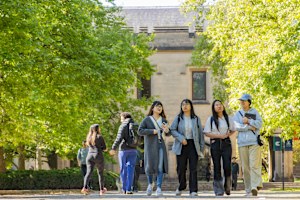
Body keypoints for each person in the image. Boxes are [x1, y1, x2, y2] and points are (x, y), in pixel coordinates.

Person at [170, 99, 205, 196]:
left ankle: (193, 190)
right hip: (181, 144)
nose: (185, 106)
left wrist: (201, 148)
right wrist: (181, 138)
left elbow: (200, 134)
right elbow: (172, 130)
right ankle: (182, 185)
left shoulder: (196, 118)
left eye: (187, 104)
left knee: (193, 168)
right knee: (181, 168)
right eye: (183, 104)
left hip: (193, 145)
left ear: (191, 106)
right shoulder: (178, 118)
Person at [203, 99, 236, 196]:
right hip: (215, 143)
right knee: (217, 166)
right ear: (213, 107)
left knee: (227, 166)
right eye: (216, 105)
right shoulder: (211, 119)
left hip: (226, 143)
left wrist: (227, 135)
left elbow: (233, 130)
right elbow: (206, 133)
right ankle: (218, 190)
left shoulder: (228, 118)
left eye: (220, 104)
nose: (219, 106)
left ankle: (227, 186)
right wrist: (219, 136)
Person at [138, 100, 170, 196]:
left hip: (161, 145)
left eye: (161, 106)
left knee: (160, 166)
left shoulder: (164, 120)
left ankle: (159, 187)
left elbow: (168, 133)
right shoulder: (147, 120)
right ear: (152, 108)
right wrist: (152, 131)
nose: (159, 108)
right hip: (150, 146)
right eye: (157, 106)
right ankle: (150, 184)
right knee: (149, 165)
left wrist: (167, 130)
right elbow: (140, 131)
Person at [233, 94, 263, 196]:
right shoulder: (237, 114)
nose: (242, 102)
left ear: (249, 102)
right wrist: (250, 127)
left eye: (244, 101)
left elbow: (259, 124)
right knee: (245, 168)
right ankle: (248, 189)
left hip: (254, 142)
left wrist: (249, 121)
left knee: (254, 165)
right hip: (242, 143)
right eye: (241, 101)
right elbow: (236, 126)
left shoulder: (254, 112)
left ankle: (254, 187)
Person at [109, 112, 137, 194]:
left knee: (123, 169)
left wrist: (113, 148)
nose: (120, 120)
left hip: (123, 150)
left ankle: (124, 188)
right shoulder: (135, 125)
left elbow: (119, 138)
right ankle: (129, 189)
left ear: (124, 117)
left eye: (121, 118)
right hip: (133, 150)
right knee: (131, 169)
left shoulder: (123, 125)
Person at [81, 124, 107, 195]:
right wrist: (102, 149)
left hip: (89, 156)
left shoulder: (88, 137)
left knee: (88, 173)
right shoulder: (100, 137)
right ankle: (101, 190)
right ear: (98, 129)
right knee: (100, 173)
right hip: (98, 156)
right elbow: (104, 148)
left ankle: (84, 188)